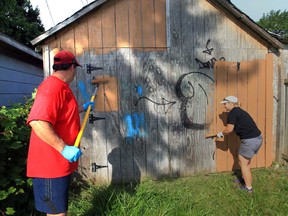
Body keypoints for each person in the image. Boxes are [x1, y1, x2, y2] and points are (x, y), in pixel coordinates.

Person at [26, 50, 94, 215]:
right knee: (56, 213)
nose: (75, 73)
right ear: (71, 67)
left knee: (57, 211)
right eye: (75, 69)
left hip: (58, 164)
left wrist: (81, 109)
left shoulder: (62, 87)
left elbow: (60, 113)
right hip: (50, 164)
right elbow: (38, 121)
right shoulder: (52, 87)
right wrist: (64, 148)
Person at [216, 96, 262, 193]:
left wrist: (220, 134)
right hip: (257, 138)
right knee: (246, 162)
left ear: (231, 103)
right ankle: (243, 179)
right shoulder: (239, 111)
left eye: (225, 103)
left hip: (250, 140)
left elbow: (229, 129)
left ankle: (248, 188)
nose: (224, 105)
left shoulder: (233, 113)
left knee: (243, 163)